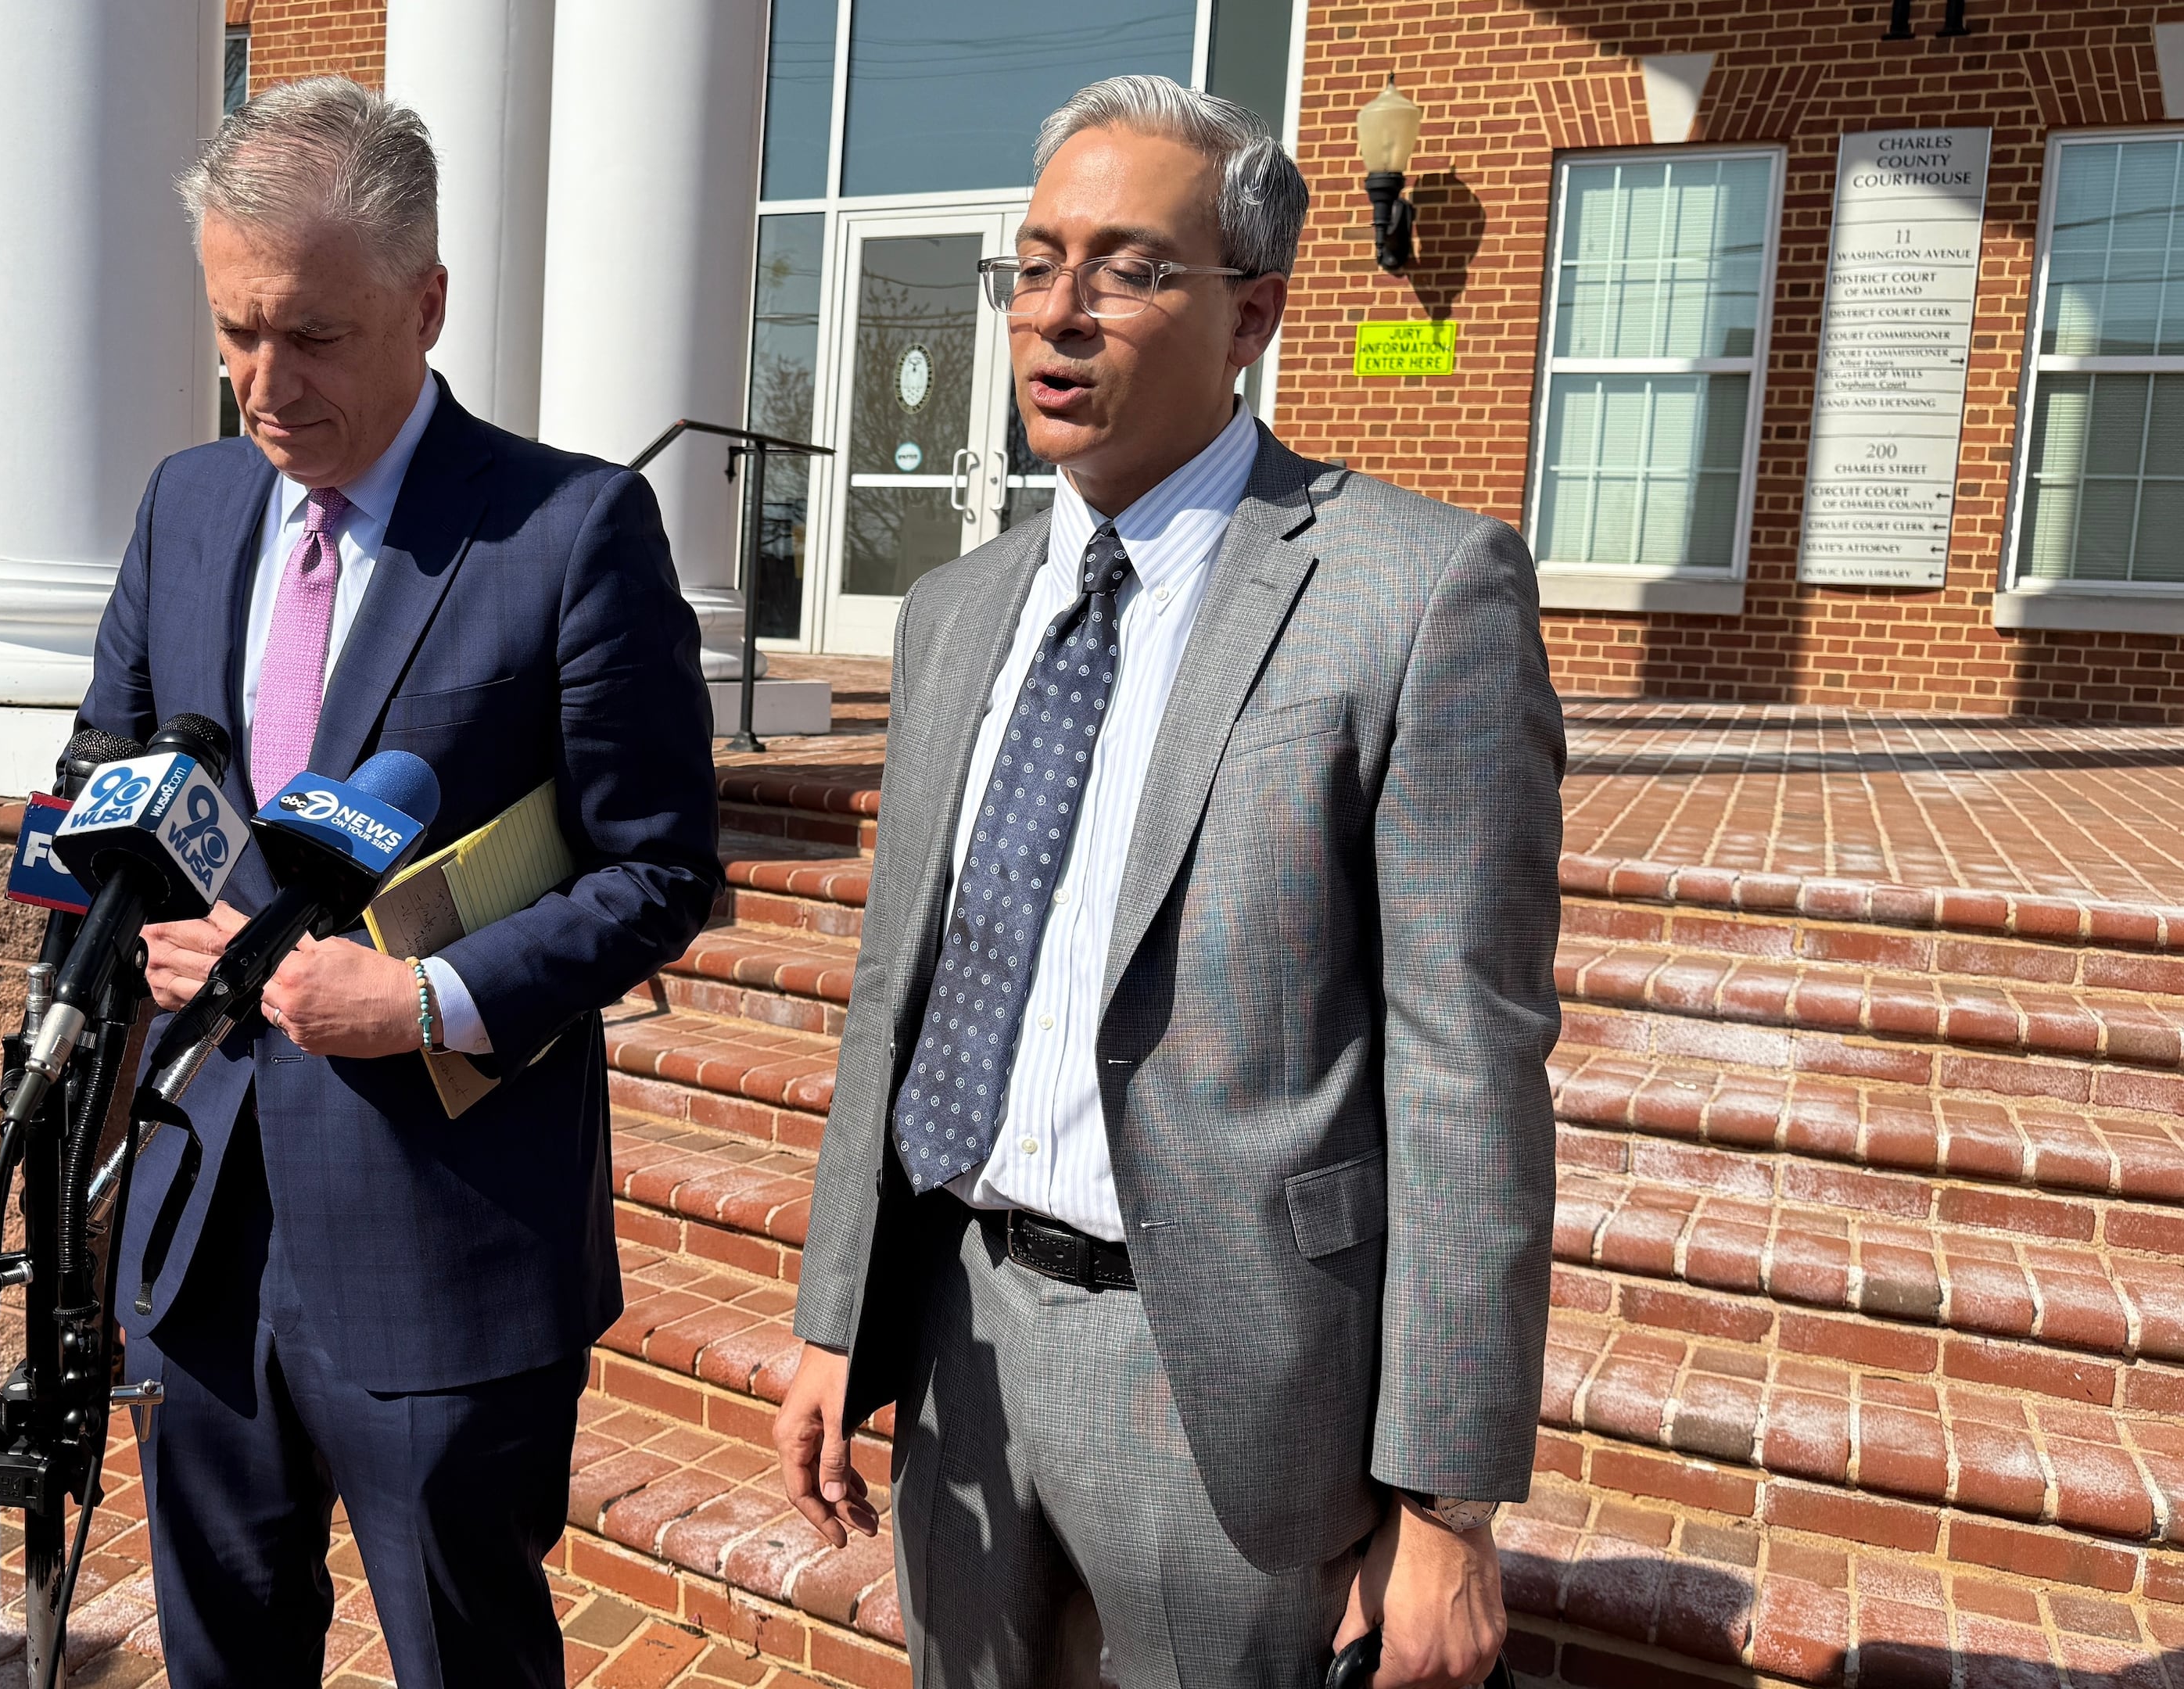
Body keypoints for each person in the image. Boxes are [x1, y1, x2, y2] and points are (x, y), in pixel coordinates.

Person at [769, 76, 1562, 1689]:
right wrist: (833, 1310)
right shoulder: (954, 612)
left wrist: (1448, 1504)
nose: (1058, 314)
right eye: (1034, 266)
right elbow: (897, 994)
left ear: (1251, 313)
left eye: (1128, 270)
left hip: (1232, 1383)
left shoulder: (1416, 593)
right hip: (961, 1332)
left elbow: (1467, 1070)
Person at [77, 77, 720, 1687]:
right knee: (223, 1656)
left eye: (314, 336)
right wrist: (153, 919)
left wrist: (427, 995)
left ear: (427, 305)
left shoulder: (571, 529)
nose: (264, 384)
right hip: (198, 1226)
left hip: (446, 1242)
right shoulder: (187, 504)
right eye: (236, 331)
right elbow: (108, 762)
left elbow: (660, 867)